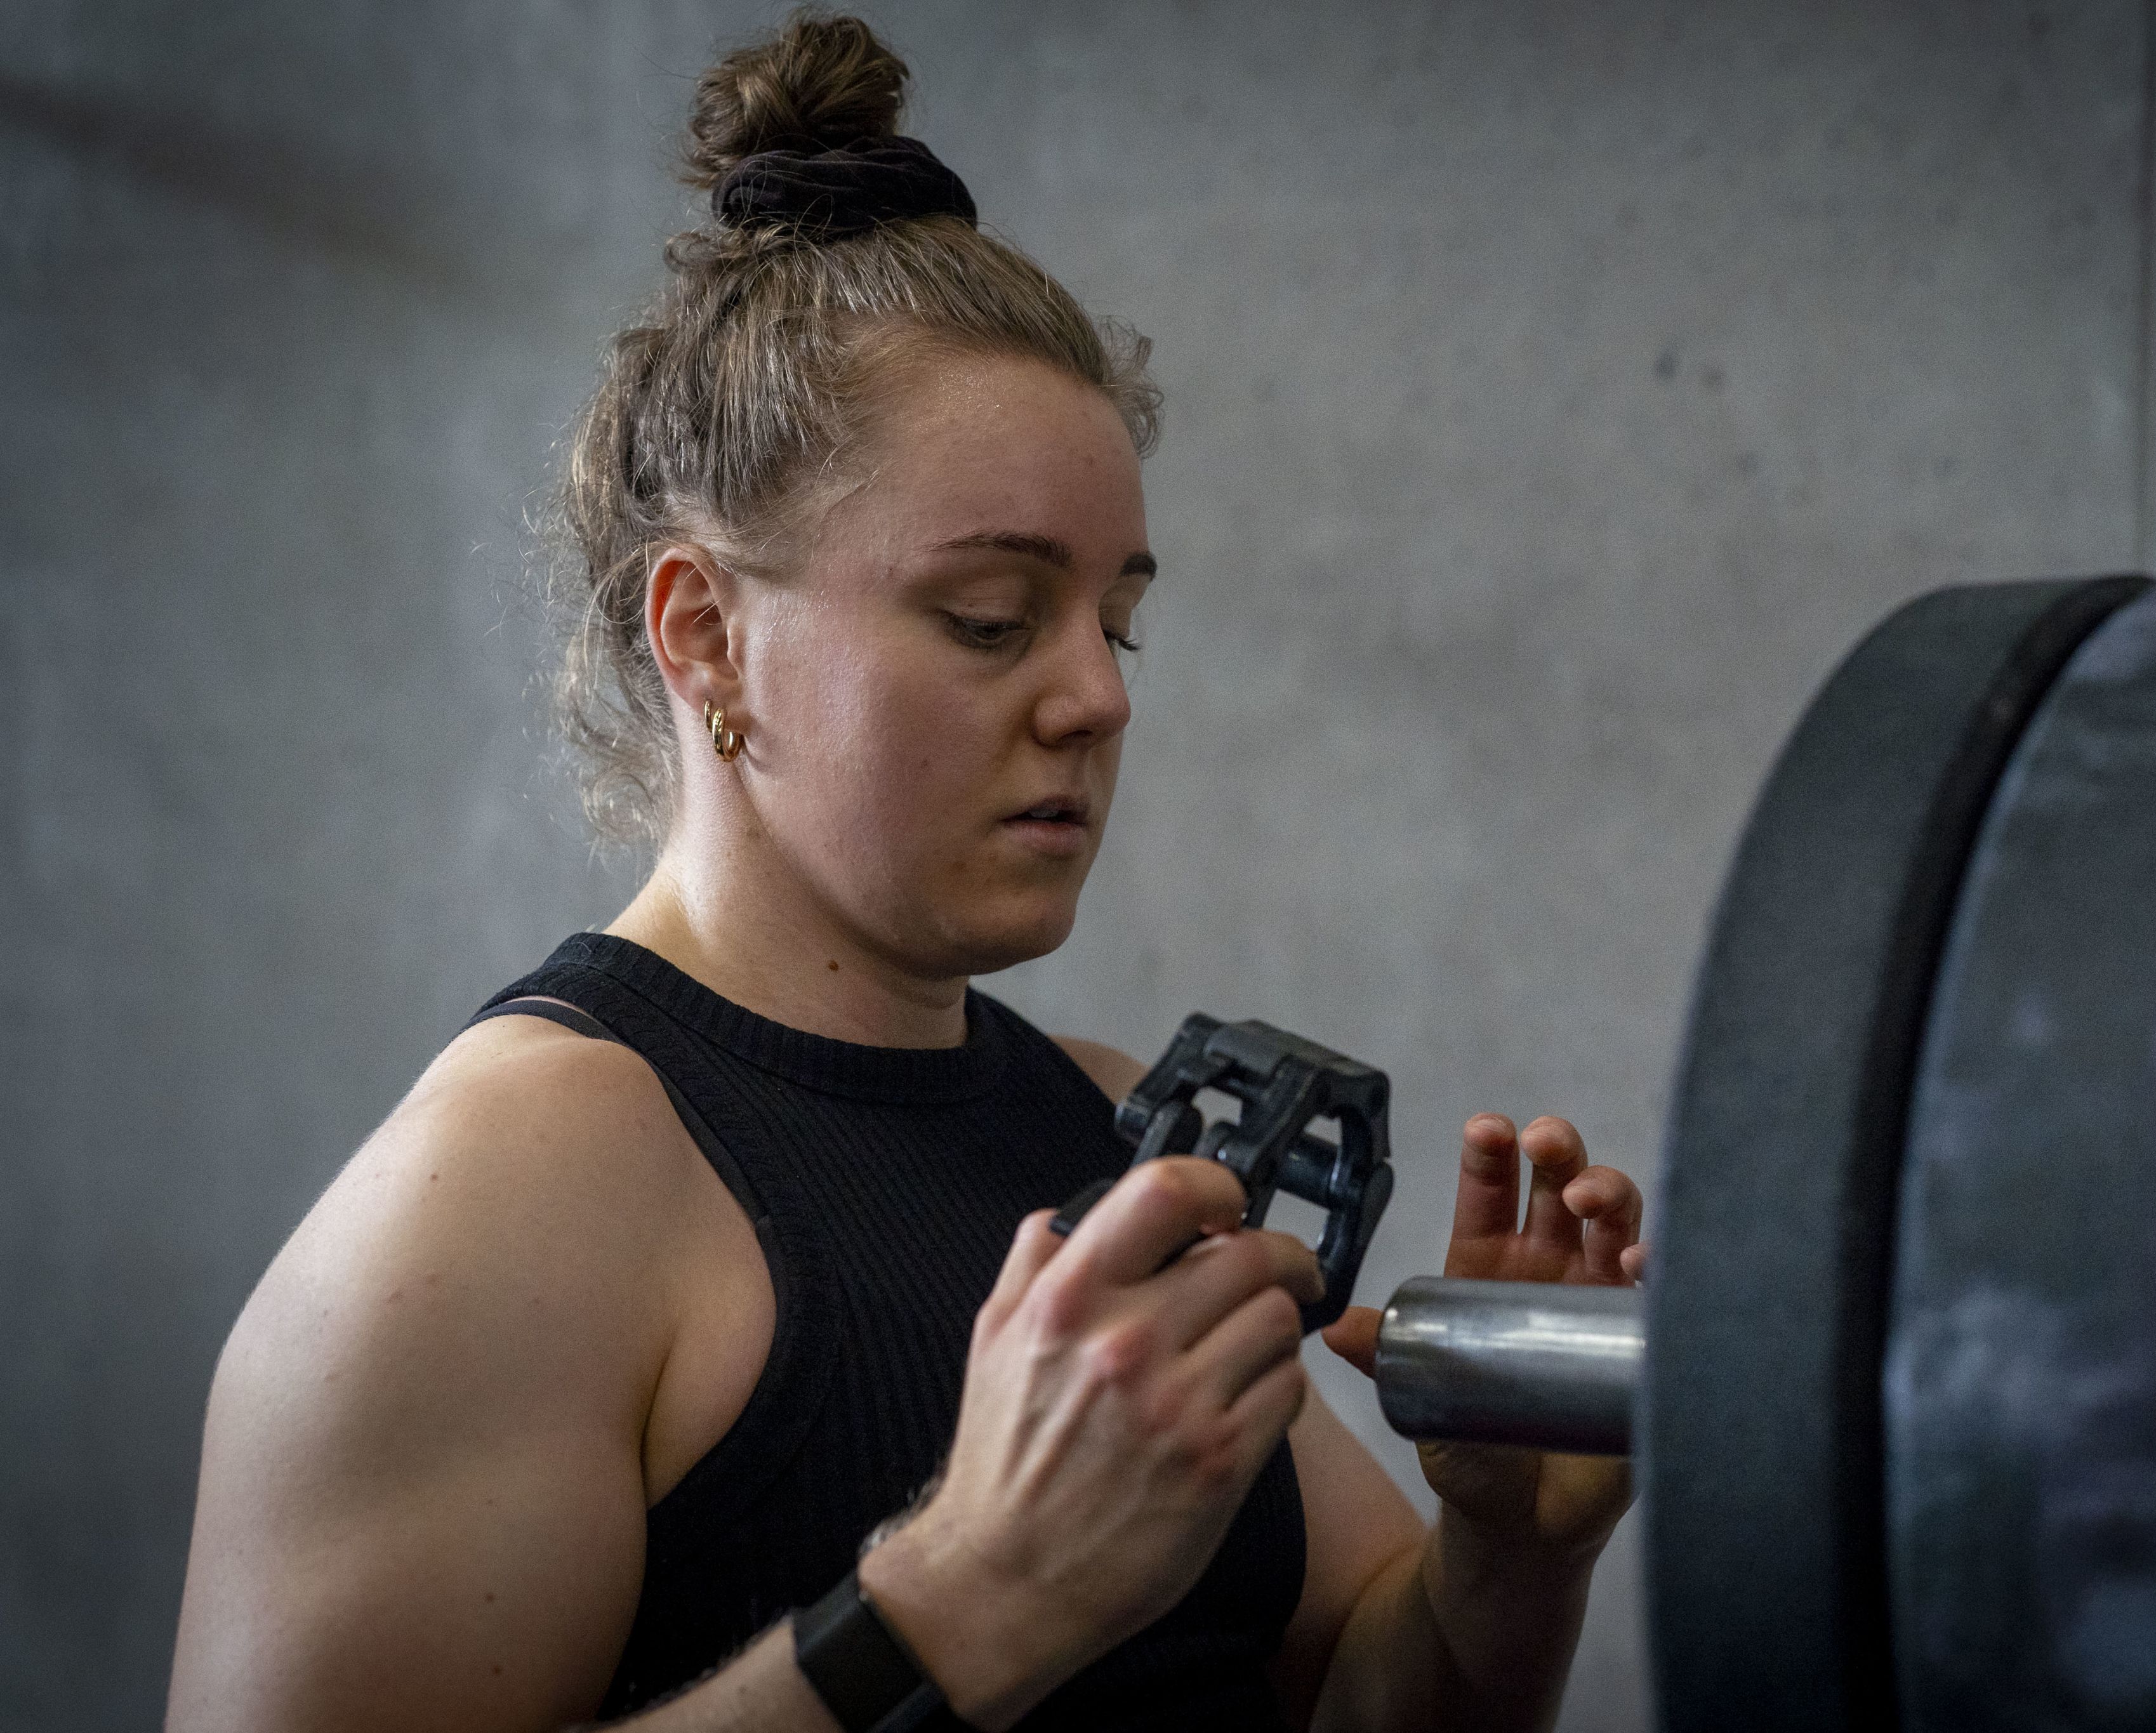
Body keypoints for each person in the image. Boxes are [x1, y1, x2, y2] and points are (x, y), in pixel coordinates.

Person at [167, 13, 1645, 1731]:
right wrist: (977, 1592)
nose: (1095, 693)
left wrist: (1507, 1558)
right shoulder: (499, 1204)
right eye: (991, 617)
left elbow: (1360, 1698)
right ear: (707, 634)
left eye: (1119, 621)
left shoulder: (1108, 1132)